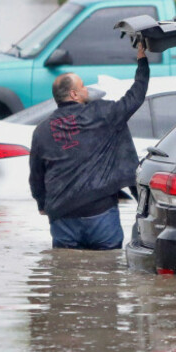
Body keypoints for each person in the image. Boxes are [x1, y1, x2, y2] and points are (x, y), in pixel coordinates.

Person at [29, 43, 149, 250]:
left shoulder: (41, 130)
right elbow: (135, 96)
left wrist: (42, 205)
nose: (87, 89)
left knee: (65, 274)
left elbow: (36, 175)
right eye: (83, 86)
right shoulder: (101, 114)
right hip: (99, 213)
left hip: (61, 216)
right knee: (107, 272)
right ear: (74, 94)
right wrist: (142, 61)